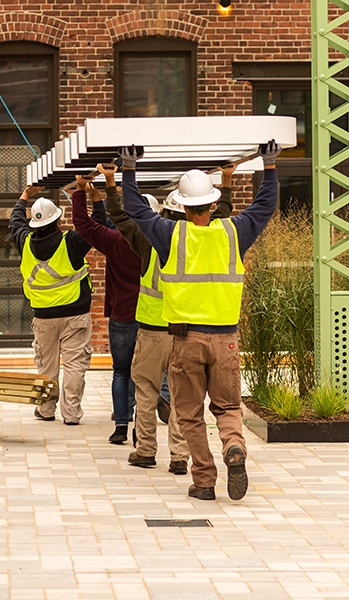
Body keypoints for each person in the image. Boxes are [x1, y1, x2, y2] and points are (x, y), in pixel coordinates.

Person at [118, 140, 282, 501]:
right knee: (227, 407)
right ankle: (234, 447)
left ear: (181, 204)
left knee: (189, 414)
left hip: (185, 340)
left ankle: (204, 480)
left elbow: (134, 209)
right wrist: (268, 167)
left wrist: (129, 169)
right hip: (226, 341)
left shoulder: (169, 235)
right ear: (211, 204)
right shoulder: (233, 233)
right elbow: (265, 206)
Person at [98, 162, 237, 475]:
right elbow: (223, 215)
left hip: (149, 332)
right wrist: (226, 181)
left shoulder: (151, 239)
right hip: (182, 332)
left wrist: (110, 182)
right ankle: (179, 456)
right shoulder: (207, 239)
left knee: (146, 393)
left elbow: (121, 217)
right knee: (180, 397)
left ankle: (145, 451)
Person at [11, 186, 94, 425]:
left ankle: (46, 410)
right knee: (74, 365)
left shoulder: (24, 242)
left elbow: (15, 221)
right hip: (75, 315)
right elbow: (95, 224)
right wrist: (87, 194)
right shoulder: (72, 243)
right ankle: (72, 414)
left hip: (44, 318)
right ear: (58, 221)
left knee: (46, 366)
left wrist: (25, 194)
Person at [70, 174, 140, 444]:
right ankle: (141, 428)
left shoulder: (116, 242)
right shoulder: (160, 240)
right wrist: (99, 195)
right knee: (146, 376)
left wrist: (80, 190)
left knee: (121, 371)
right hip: (150, 318)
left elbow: (84, 224)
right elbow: (111, 220)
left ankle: (121, 425)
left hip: (122, 317)